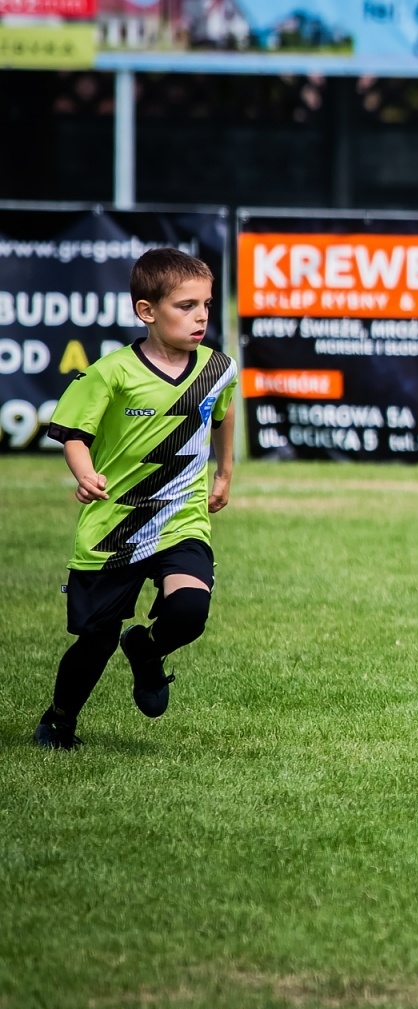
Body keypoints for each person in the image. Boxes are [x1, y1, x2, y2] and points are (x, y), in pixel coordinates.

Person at [33, 247, 237, 750]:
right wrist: (84, 475)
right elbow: (73, 432)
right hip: (114, 527)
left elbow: (223, 412)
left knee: (189, 611)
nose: (201, 316)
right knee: (96, 639)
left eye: (206, 305)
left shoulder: (218, 368)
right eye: (185, 306)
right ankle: (59, 719)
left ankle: (146, 649)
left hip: (180, 519)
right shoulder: (112, 372)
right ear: (147, 311)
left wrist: (225, 471)